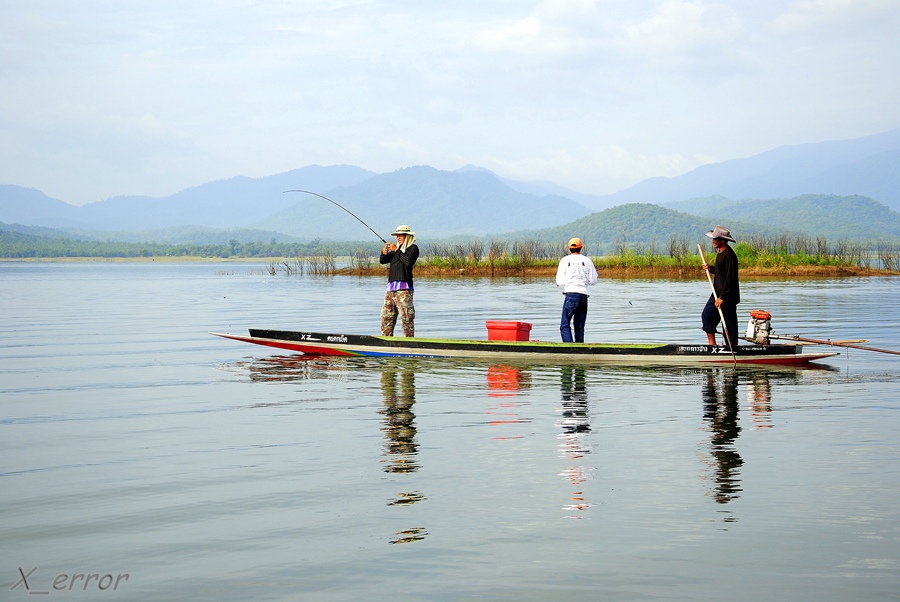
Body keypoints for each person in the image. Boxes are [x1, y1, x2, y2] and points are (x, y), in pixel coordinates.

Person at [701, 225, 740, 349]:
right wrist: (710, 268)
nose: (713, 241)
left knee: (729, 324)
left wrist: (723, 297)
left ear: (722, 240)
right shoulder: (720, 253)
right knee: (707, 315)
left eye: (715, 239)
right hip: (717, 293)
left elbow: (730, 279)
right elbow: (721, 272)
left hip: (727, 296)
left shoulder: (730, 255)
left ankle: (731, 348)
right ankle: (712, 344)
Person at [555, 237, 598, 343]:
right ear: (581, 248)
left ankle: (569, 348)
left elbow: (559, 281)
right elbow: (593, 280)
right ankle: (579, 349)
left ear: (569, 248)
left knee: (564, 325)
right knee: (579, 326)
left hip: (571, 296)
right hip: (583, 296)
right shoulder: (587, 260)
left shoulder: (565, 260)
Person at [380, 224, 419, 337]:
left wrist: (396, 250)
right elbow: (382, 261)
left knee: (406, 318)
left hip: (404, 289)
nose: (398, 238)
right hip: (390, 290)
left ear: (407, 236)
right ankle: (386, 340)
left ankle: (408, 342)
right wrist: (384, 253)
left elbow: (408, 261)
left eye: (401, 235)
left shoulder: (413, 249)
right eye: (397, 235)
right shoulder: (396, 252)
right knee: (386, 317)